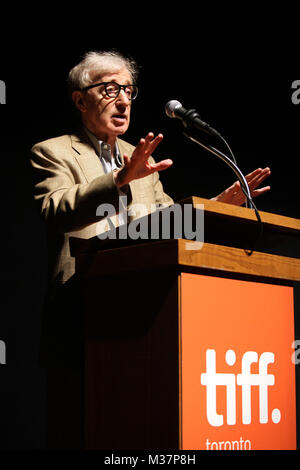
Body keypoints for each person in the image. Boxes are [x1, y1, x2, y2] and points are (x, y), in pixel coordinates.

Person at [29, 50, 270, 448]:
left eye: (128, 90)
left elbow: (164, 224)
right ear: (80, 99)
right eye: (109, 89)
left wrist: (215, 209)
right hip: (83, 313)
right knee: (78, 430)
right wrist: (119, 180)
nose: (123, 100)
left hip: (144, 315)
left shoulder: (140, 158)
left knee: (133, 431)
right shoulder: (53, 151)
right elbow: (55, 211)